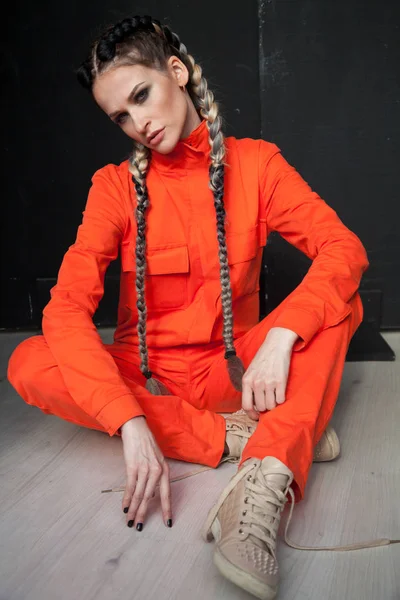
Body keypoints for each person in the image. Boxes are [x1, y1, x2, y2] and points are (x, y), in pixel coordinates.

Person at [6, 14, 378, 600]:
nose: (139, 123)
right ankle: (243, 438)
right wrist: (128, 421)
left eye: (141, 96)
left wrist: (281, 339)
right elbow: (65, 311)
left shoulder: (257, 165)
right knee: (29, 361)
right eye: (121, 117)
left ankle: (265, 477)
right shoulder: (114, 188)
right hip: (147, 381)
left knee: (338, 303)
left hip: (236, 373)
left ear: (176, 71)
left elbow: (343, 248)